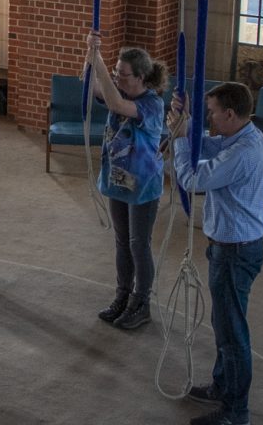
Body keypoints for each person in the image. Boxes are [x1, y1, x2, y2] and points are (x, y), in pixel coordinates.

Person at [170, 81, 263, 425]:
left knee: (232, 335)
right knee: (224, 324)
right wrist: (184, 127)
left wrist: (183, 141)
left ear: (230, 113)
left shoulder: (243, 152)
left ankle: (235, 412)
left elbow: (192, 180)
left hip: (235, 252)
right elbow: (212, 144)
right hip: (235, 247)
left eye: (212, 113)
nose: (210, 119)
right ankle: (222, 384)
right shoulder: (245, 137)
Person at [84, 31, 167, 330]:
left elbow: (118, 105)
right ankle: (122, 294)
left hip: (143, 186)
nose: (118, 78)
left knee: (138, 244)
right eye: (116, 73)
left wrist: (101, 60)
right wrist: (90, 54)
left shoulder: (151, 104)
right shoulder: (119, 92)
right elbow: (91, 85)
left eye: (123, 74)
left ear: (142, 77)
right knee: (122, 242)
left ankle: (141, 301)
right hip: (118, 180)